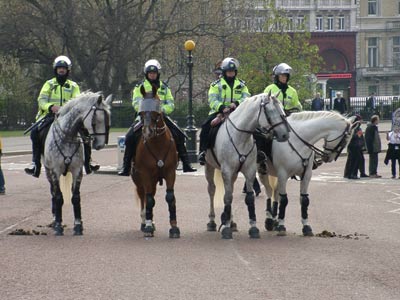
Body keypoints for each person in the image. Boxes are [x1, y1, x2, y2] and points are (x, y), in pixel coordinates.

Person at [118, 59, 196, 176]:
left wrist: (162, 110)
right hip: (144, 117)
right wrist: (144, 110)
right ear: (147, 74)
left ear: (157, 74)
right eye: (150, 73)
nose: (152, 75)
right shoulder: (140, 87)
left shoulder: (164, 87)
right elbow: (136, 102)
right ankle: (126, 166)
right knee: (129, 137)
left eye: (154, 73)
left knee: (179, 134)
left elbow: (171, 103)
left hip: (161, 117)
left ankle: (186, 163)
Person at [24, 55, 99, 178]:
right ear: (55, 69)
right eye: (59, 68)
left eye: (64, 68)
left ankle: (88, 162)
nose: (61, 70)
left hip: (68, 117)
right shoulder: (48, 84)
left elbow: (77, 101)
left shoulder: (74, 86)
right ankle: (35, 164)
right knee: (34, 133)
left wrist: (65, 110)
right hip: (49, 115)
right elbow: (41, 100)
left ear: (68, 70)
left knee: (85, 133)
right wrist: (50, 107)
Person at [198, 57, 250, 165]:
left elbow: (246, 97)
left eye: (232, 72)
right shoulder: (216, 85)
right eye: (228, 72)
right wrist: (222, 108)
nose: (231, 74)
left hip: (238, 113)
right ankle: (203, 152)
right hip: (219, 112)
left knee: (254, 127)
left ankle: (257, 153)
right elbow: (212, 100)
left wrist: (236, 103)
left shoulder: (241, 84)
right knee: (206, 126)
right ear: (224, 72)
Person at [343, 115, 368, 179]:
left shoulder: (358, 128)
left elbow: (361, 138)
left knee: (359, 159)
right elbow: (350, 136)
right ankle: (350, 174)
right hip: (353, 146)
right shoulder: (352, 127)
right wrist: (357, 135)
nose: (361, 121)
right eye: (360, 120)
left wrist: (363, 146)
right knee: (353, 160)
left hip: (358, 146)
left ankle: (355, 173)